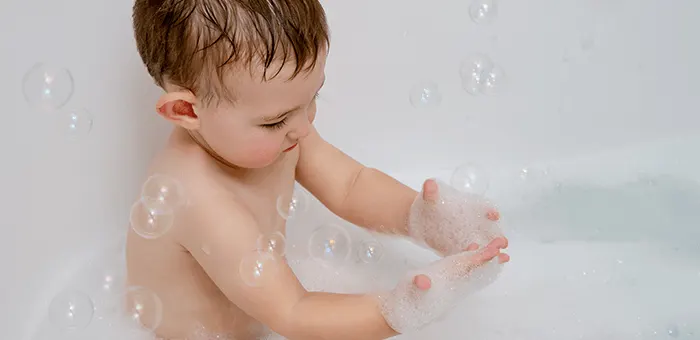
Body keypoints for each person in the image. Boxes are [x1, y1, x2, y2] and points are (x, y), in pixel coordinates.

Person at [126, 0, 510, 339]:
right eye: (275, 120)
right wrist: (400, 309)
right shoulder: (197, 197)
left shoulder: (282, 134)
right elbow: (293, 312)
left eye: (312, 98)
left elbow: (350, 185)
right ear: (186, 111)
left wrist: (421, 217)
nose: (304, 126)